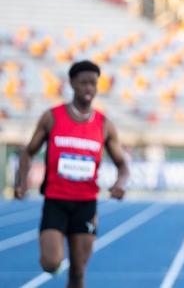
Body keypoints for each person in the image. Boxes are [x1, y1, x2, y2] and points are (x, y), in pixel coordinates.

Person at [14, 60, 129, 288]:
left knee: (77, 273)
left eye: (93, 84)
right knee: (50, 262)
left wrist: (120, 183)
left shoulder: (104, 125)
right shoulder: (52, 117)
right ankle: (53, 262)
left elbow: (122, 165)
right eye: (83, 83)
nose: (88, 88)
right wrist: (22, 182)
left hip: (86, 205)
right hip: (56, 201)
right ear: (72, 84)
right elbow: (28, 153)